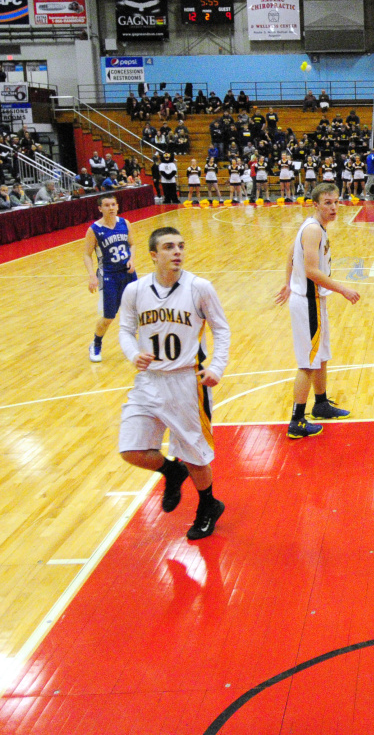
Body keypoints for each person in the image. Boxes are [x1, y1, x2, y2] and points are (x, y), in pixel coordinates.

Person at [117, 227, 230, 540]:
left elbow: (221, 330)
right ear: (153, 255)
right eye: (168, 247)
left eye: (180, 246)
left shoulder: (199, 287)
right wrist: (133, 353)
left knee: (196, 454)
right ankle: (171, 470)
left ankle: (208, 505)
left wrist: (217, 367)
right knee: (131, 449)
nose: (177, 251)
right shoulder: (135, 290)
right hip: (148, 380)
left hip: (185, 381)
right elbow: (125, 330)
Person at [275, 185, 361, 438]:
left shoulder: (312, 226)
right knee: (308, 363)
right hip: (308, 301)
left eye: (335, 202)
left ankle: (321, 403)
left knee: (321, 355)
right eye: (327, 203)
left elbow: (291, 254)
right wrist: (343, 289)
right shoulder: (313, 230)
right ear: (316, 204)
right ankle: (297, 420)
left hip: (312, 300)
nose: (333, 207)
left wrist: (287, 281)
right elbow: (312, 270)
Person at [83, 194, 137, 362]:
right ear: (100, 208)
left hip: (128, 273)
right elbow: (86, 254)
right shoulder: (94, 229)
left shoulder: (125, 223)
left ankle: (139, 344)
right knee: (109, 317)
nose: (111, 208)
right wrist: (92, 275)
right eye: (107, 205)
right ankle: (96, 344)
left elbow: (132, 244)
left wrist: (132, 260)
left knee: (139, 310)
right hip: (109, 276)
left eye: (113, 204)